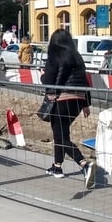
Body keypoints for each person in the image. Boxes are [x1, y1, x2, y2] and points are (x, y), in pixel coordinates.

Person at [40, 28, 95, 189]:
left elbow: (48, 79)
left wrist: (43, 75)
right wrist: (86, 103)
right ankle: (57, 167)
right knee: (61, 133)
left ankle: (84, 164)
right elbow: (85, 81)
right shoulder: (77, 57)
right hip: (78, 101)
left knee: (62, 137)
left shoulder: (55, 55)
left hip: (62, 99)